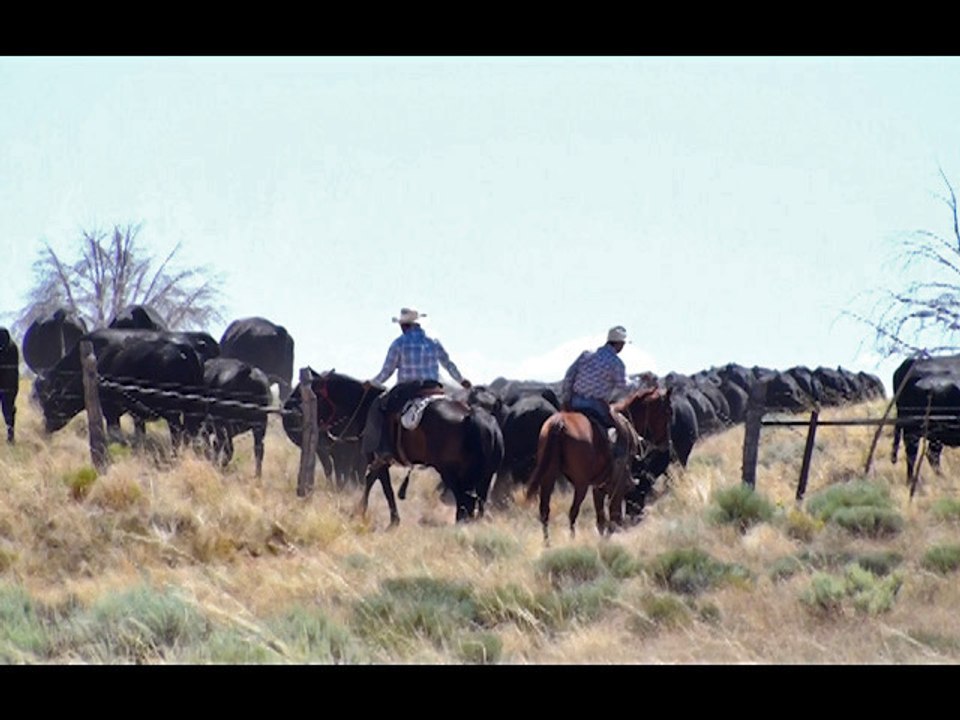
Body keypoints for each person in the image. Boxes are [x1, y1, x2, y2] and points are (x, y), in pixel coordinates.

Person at [361, 308, 472, 460]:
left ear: (404, 326)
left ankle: (383, 450)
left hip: (408, 389)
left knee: (379, 406)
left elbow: (387, 371)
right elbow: (448, 364)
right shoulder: (433, 341)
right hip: (433, 387)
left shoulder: (399, 343)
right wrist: (461, 380)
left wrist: (373, 383)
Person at [559, 325, 631, 457]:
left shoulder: (586, 355)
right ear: (619, 344)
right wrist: (641, 380)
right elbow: (623, 387)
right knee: (620, 430)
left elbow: (569, 376)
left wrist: (566, 399)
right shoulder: (616, 363)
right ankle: (617, 458)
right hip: (597, 406)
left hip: (575, 401)